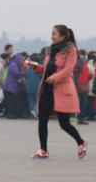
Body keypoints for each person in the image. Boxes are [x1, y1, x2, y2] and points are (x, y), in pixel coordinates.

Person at [31, 25, 87, 159]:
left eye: (54, 34)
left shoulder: (71, 50)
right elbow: (47, 68)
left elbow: (68, 70)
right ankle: (43, 150)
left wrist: (54, 78)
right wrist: (36, 67)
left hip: (61, 90)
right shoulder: (50, 50)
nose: (52, 36)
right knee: (42, 120)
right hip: (47, 89)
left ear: (63, 36)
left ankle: (81, 142)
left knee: (64, 123)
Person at [2, 54, 26, 119]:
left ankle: (10, 114)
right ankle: (10, 114)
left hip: (11, 87)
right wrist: (25, 73)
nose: (22, 62)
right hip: (10, 86)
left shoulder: (15, 65)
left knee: (11, 101)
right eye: (22, 61)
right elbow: (16, 74)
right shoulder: (13, 65)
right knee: (10, 101)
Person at [25, 54, 42, 119]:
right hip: (37, 87)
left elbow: (26, 76)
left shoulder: (28, 68)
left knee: (31, 101)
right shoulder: (39, 68)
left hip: (29, 87)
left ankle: (31, 115)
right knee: (38, 101)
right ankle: (34, 111)